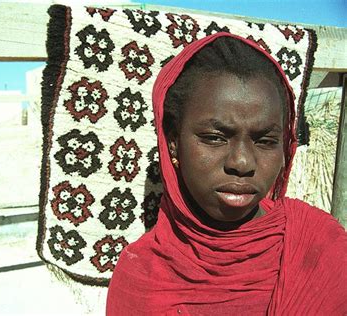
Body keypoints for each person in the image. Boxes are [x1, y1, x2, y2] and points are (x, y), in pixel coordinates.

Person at [106, 32, 347, 315]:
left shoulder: (320, 246)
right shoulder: (142, 275)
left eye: (266, 141)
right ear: (173, 144)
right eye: (214, 137)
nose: (242, 162)